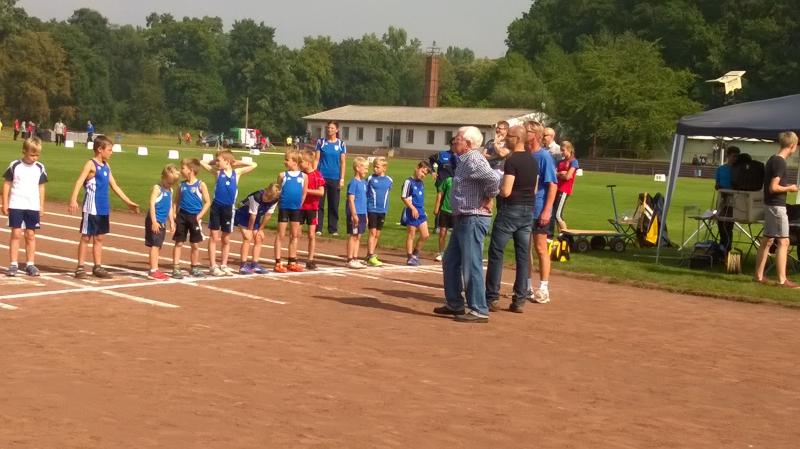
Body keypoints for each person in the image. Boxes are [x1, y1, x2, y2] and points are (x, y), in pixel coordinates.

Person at [433, 126, 500, 323]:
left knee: (471, 264)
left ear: (468, 143)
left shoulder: (473, 159)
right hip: (463, 217)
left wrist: (489, 196)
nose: (455, 140)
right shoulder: (464, 159)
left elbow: (493, 178)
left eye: (459, 138)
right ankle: (455, 303)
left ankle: (479, 309)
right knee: (450, 261)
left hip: (473, 217)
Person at [68, 135, 139, 279]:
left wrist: (128, 202)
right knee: (86, 237)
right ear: (100, 149)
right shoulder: (91, 164)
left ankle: (97, 266)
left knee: (99, 237)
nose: (111, 152)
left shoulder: (107, 166)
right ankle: (80, 267)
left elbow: (115, 186)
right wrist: (73, 199)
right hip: (91, 207)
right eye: (109, 150)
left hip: (103, 207)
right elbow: (79, 181)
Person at [485, 125, 537, 312]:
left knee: (496, 252)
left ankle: (491, 297)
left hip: (510, 210)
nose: (506, 139)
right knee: (522, 256)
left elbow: (506, 191)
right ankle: (519, 300)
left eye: (510, 136)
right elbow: (535, 188)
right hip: (527, 211)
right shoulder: (533, 160)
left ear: (517, 138)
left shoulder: (512, 160)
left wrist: (493, 190)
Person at [200, 149, 258, 276]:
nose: (217, 163)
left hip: (228, 209)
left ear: (227, 161)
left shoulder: (237, 173)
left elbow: (254, 165)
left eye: (219, 160)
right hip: (216, 207)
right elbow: (201, 162)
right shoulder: (217, 172)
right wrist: (214, 161)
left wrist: (236, 162)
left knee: (226, 238)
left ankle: (224, 265)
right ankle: (213, 266)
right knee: (214, 237)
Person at [754, 132, 799, 288]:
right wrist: (790, 188)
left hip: (770, 205)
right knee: (784, 241)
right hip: (777, 206)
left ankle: (758, 276)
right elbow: (773, 187)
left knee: (767, 241)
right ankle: (782, 280)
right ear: (792, 145)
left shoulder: (772, 159)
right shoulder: (780, 162)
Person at [3, 137, 47, 276]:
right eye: (32, 155)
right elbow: (7, 184)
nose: (35, 158)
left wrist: (41, 205)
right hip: (16, 203)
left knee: (30, 235)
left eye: (37, 155)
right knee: (16, 233)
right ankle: (13, 264)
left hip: (32, 205)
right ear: (24, 151)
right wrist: (5, 202)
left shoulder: (40, 167)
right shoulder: (15, 165)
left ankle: (30, 264)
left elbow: (41, 187)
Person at [526, 121, 558, 303]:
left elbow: (552, 185)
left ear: (537, 135)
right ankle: (526, 286)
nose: (524, 133)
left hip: (538, 208)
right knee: (524, 249)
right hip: (523, 208)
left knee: (540, 247)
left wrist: (547, 210)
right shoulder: (523, 154)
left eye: (528, 131)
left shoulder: (544, 156)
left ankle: (544, 287)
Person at [171, 158, 211, 279]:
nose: (181, 170)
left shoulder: (200, 184)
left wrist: (199, 216)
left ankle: (194, 267)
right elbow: (176, 201)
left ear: (191, 170)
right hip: (182, 216)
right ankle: (176, 267)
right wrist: (174, 214)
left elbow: (207, 202)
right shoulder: (181, 185)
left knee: (195, 244)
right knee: (179, 242)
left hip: (194, 217)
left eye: (183, 168)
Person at [274, 149, 307, 273]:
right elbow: (277, 191)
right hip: (284, 208)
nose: (285, 162)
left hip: (296, 209)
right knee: (281, 235)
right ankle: (278, 262)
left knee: (294, 235)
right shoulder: (282, 175)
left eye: (287, 160)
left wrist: (299, 205)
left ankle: (292, 261)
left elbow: (304, 193)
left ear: (295, 162)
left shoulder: (304, 176)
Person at [235, 183, 280, 274]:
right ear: (267, 191)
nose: (269, 200)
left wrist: (261, 230)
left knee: (259, 238)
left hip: (255, 217)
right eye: (268, 197)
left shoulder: (275, 199)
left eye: (271, 198)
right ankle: (243, 266)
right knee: (247, 238)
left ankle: (254, 265)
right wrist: (249, 230)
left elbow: (268, 215)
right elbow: (253, 215)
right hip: (243, 215)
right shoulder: (256, 197)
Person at [145, 165, 180, 280]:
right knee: (155, 245)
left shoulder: (170, 190)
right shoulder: (157, 188)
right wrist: (154, 221)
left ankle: (154, 268)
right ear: (163, 177)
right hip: (155, 220)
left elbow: (169, 207)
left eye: (172, 183)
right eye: (169, 182)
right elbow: (152, 205)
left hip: (162, 221)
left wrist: (172, 221)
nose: (170, 185)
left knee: (158, 245)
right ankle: (153, 270)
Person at [314, 121, 347, 236]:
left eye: (332, 128)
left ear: (337, 130)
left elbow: (343, 162)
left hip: (335, 177)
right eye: (328, 128)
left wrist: (342, 178)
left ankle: (333, 229)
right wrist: (314, 175)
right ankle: (318, 228)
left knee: (333, 204)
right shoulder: (321, 142)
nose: (329, 130)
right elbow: (316, 159)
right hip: (321, 177)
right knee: (319, 204)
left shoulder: (341, 144)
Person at [400, 161, 432, 266]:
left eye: (425, 174)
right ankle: (410, 257)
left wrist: (422, 210)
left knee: (425, 235)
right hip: (412, 211)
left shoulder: (421, 183)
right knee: (411, 234)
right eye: (422, 172)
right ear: (417, 168)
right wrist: (412, 208)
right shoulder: (408, 182)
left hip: (421, 211)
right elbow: (404, 197)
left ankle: (415, 253)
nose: (423, 175)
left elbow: (420, 199)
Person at [300, 149, 325, 270]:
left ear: (308, 163)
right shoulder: (299, 175)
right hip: (300, 207)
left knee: (311, 235)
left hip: (312, 208)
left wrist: (306, 191)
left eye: (301, 162)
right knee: (296, 234)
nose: (299, 164)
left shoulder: (317, 175)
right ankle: (292, 258)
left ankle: (310, 259)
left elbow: (321, 192)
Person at [365, 157, 393, 267]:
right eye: (374, 167)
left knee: (377, 234)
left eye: (377, 167)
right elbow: (366, 193)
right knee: (372, 232)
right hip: (372, 209)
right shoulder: (370, 178)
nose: (375, 169)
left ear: (384, 168)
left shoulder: (389, 180)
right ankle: (371, 255)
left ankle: (369, 254)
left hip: (382, 210)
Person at [715, 146, 740, 252]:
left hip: (733, 201)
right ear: (728, 156)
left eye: (737, 157)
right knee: (720, 223)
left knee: (728, 226)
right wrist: (719, 187)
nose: (735, 159)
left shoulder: (738, 170)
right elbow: (716, 184)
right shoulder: (720, 169)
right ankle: (722, 247)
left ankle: (727, 249)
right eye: (734, 156)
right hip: (722, 200)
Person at [345, 157, 369, 269]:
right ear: (358, 168)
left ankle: (355, 258)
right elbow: (351, 199)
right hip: (355, 213)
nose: (366, 170)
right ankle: (350, 259)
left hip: (362, 213)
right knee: (353, 235)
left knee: (358, 236)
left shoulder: (364, 183)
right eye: (365, 168)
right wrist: (354, 214)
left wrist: (366, 215)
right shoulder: (353, 183)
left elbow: (364, 200)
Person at [553, 141, 579, 232]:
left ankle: (566, 236)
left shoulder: (574, 162)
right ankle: (561, 235)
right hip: (556, 189)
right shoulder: (560, 162)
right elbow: (553, 174)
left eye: (563, 150)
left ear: (569, 149)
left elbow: (568, 177)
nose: (561, 152)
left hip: (564, 190)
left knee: (558, 215)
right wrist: (560, 173)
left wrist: (559, 175)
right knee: (555, 214)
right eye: (561, 150)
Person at [433, 170, 453, 262]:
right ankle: (441, 253)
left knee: (456, 235)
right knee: (442, 232)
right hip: (445, 210)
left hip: (456, 212)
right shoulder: (448, 180)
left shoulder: (463, 182)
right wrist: (437, 207)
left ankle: (454, 254)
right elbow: (440, 194)